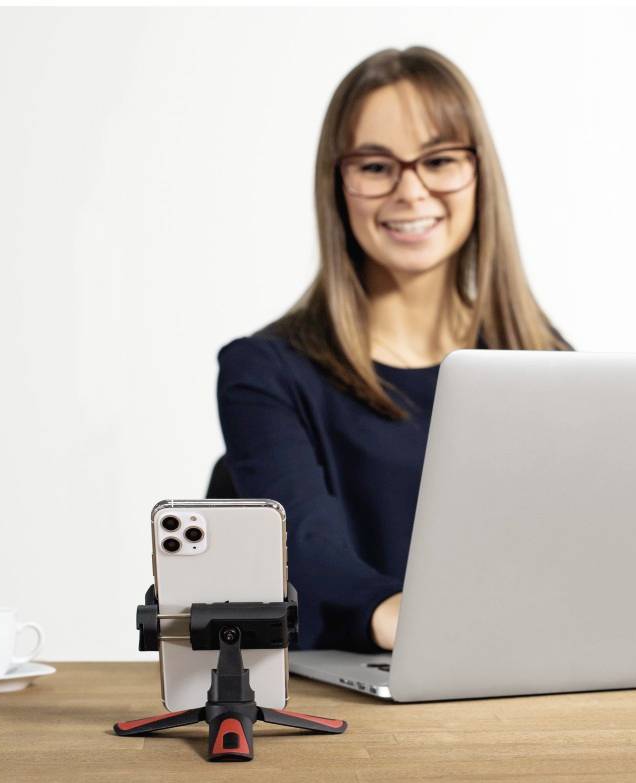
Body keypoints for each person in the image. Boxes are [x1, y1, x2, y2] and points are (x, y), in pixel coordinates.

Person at [215, 46, 570, 654]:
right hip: (340, 708)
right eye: (376, 167)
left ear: (478, 174)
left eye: (439, 160)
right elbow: (304, 544)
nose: (411, 191)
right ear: (338, 184)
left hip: (510, 684)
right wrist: (407, 624)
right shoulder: (264, 372)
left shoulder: (544, 362)